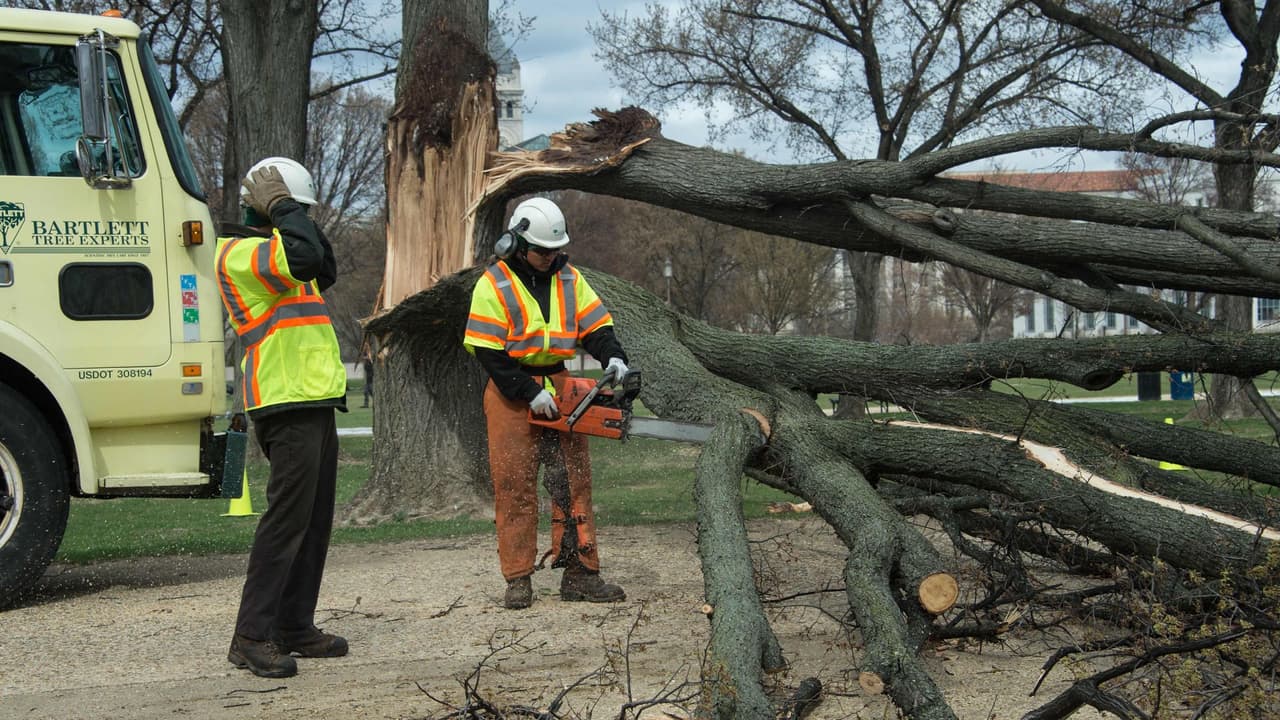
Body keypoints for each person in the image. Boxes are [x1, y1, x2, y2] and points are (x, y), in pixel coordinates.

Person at [216, 157, 349, 678]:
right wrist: (284, 208)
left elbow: (326, 264)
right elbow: (306, 255)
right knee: (286, 523)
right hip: (281, 398)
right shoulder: (242, 252)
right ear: (267, 207)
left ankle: (294, 625)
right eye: (292, 208)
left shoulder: (284, 250)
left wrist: (292, 210)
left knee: (314, 522)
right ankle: (251, 635)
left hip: (312, 398)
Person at [464, 196, 629, 610]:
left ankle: (580, 572)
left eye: (555, 249)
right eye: (541, 250)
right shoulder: (494, 283)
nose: (549, 257)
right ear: (517, 242)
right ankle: (518, 577)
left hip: (559, 382)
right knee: (514, 485)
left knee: (572, 481)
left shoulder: (570, 279)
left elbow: (596, 327)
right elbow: (488, 352)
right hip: (510, 391)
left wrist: (613, 355)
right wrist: (529, 392)